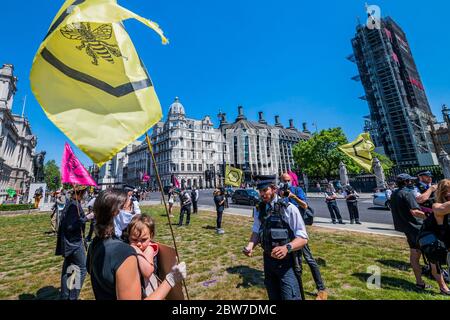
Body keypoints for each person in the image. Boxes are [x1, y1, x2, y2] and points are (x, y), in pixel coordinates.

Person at [86, 189, 187, 300]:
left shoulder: (95, 243)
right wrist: (170, 279)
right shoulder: (124, 253)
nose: (132, 211)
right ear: (116, 212)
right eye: (130, 207)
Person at [243, 175, 308, 300]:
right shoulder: (259, 209)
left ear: (273, 189)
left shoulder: (289, 208)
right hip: (268, 260)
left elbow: (303, 238)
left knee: (290, 296)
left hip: (287, 263)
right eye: (260, 191)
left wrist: (287, 247)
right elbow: (257, 230)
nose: (262, 194)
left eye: (265, 190)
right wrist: (250, 246)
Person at [280, 173, 328, 300]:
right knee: (296, 262)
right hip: (286, 230)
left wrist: (293, 196)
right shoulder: (280, 192)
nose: (286, 183)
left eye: (288, 180)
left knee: (309, 259)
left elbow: (305, 205)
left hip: (298, 230)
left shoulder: (297, 189)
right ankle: (296, 288)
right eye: (284, 181)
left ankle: (321, 288)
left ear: (292, 180)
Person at [390, 173, 432, 290]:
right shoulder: (407, 193)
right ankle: (439, 280)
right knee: (432, 253)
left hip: (407, 229)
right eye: (410, 181)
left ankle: (419, 282)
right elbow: (415, 212)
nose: (412, 183)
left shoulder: (394, 193)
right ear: (406, 182)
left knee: (414, 255)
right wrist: (431, 215)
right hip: (417, 228)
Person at [55, 185, 89, 300]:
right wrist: (86, 218)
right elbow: (70, 226)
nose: (86, 195)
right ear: (81, 193)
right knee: (82, 268)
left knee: (69, 269)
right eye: (85, 193)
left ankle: (65, 296)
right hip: (74, 243)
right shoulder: (74, 205)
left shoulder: (72, 203)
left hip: (69, 242)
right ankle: (73, 297)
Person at [127, 214, 162, 296]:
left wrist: (136, 250)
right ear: (128, 236)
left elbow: (147, 272)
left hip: (148, 291)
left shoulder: (149, 249)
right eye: (134, 239)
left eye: (143, 240)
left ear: (151, 236)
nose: (139, 244)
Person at [425, 179, 450, 295]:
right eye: (446, 191)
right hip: (436, 240)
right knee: (435, 264)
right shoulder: (437, 205)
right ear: (442, 193)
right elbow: (442, 209)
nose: (448, 194)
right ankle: (443, 287)